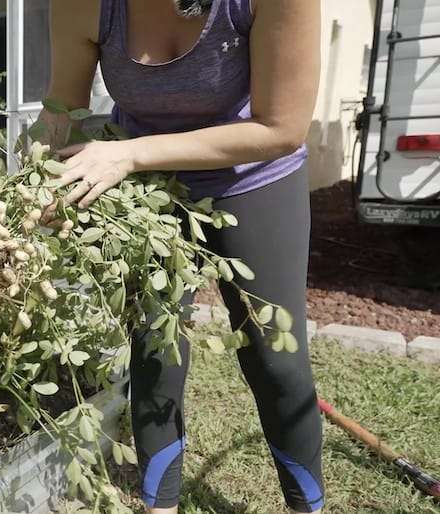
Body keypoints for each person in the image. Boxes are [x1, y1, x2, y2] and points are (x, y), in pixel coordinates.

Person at [39, 0, 323, 513]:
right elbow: (63, 110)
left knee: (276, 361)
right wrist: (31, 184)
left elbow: (281, 128)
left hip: (253, 176)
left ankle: (307, 507)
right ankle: (160, 506)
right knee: (155, 350)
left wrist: (131, 152)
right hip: (148, 189)